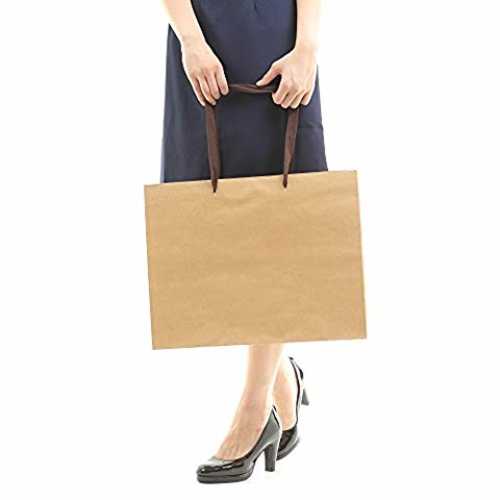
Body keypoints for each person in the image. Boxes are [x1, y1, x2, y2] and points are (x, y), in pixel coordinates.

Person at [161, 0, 327, 483]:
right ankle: (281, 377)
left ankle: (254, 412)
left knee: (278, 230)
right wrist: (190, 40)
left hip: (279, 41)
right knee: (211, 233)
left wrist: (307, 46)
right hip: (202, 40)